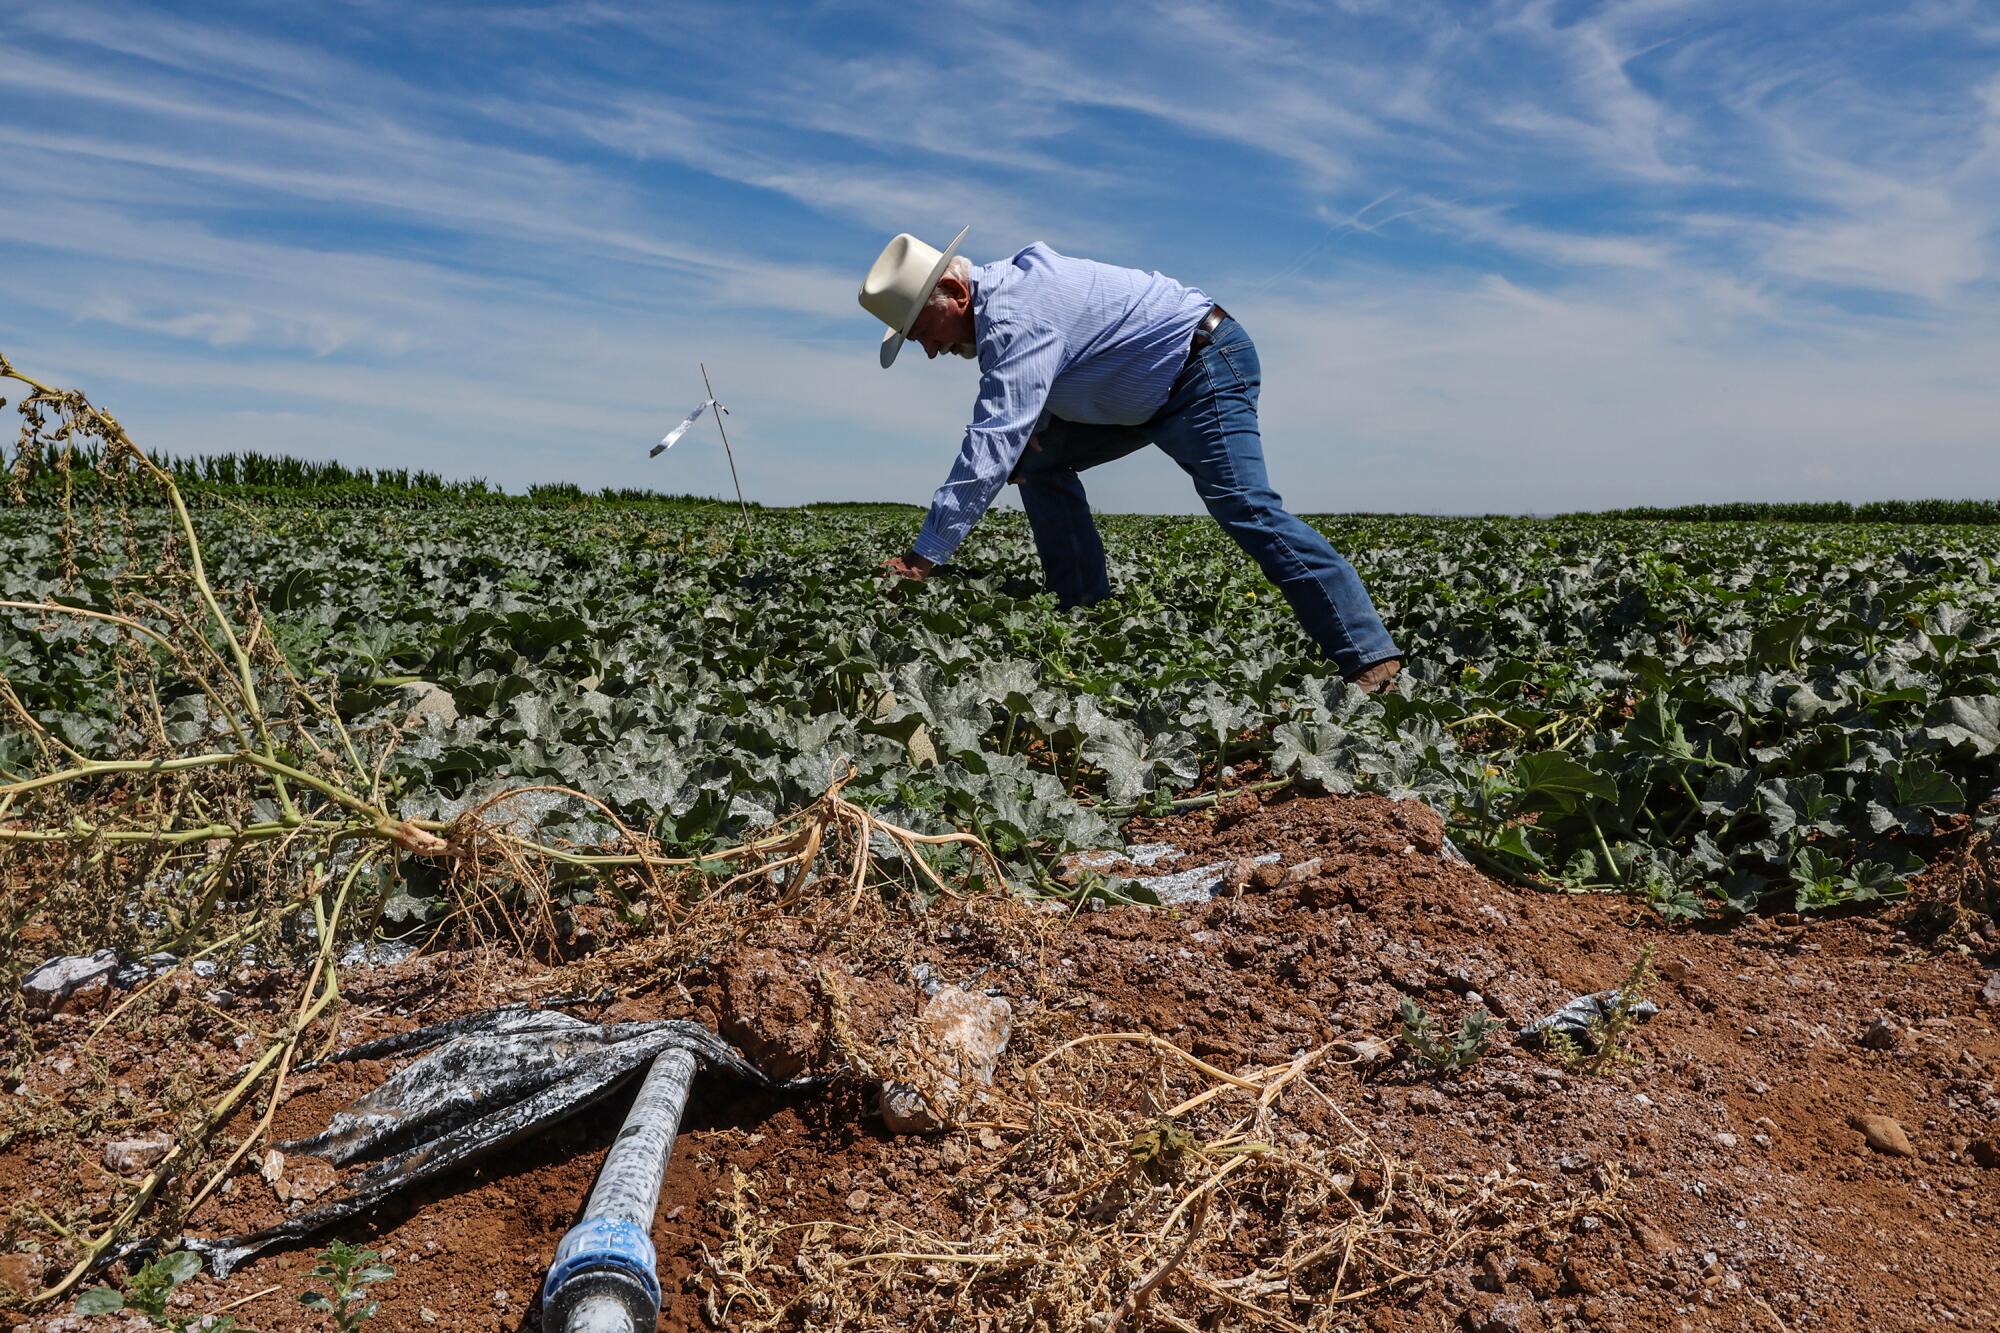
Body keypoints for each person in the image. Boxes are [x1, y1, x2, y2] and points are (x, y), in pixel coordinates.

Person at [857, 228, 1402, 692]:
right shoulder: (1010, 308)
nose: (931, 351)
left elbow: (993, 439)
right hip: (1138, 393)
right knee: (1035, 459)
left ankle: (1369, 655)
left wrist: (925, 555)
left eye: (925, 333)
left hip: (1200, 368)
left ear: (955, 291)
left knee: (1246, 506)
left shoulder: (1015, 315)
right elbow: (1048, 388)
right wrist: (1034, 436)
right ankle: (1084, 609)